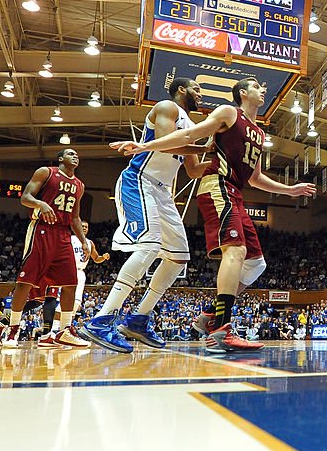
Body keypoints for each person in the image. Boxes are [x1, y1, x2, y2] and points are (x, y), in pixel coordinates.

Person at [112, 78, 316, 353]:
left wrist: (289, 190)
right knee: (236, 251)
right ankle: (221, 329)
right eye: (257, 85)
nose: (263, 88)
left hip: (236, 192)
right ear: (243, 93)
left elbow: (254, 178)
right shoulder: (229, 113)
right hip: (217, 186)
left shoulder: (259, 132)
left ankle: (209, 315)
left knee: (256, 264)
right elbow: (187, 136)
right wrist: (144, 146)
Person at [84, 78, 210, 352]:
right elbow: (165, 145)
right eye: (196, 89)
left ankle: (139, 319)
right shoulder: (167, 107)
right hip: (139, 181)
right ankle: (101, 320)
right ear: (181, 90)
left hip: (163, 191)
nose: (200, 95)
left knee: (178, 258)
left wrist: (224, 161)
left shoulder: (190, 126)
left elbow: (193, 171)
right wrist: (207, 148)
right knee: (150, 246)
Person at [0, 149, 92, 349]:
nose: (76, 156)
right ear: (60, 158)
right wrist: (40, 203)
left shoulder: (79, 185)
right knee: (25, 281)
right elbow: (25, 197)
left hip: (63, 234)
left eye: (78, 154)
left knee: (71, 283)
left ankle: (64, 330)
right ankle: (13, 329)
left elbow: (75, 218)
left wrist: (83, 241)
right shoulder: (46, 172)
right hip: (42, 229)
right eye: (70, 153)